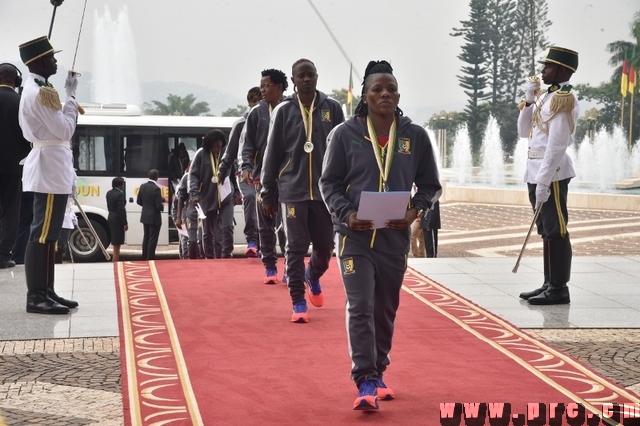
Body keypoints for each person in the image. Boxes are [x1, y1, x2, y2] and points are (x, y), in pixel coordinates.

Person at [320, 60, 441, 410]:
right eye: (377, 89)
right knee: (360, 305)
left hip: (393, 239)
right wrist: (347, 213)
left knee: (385, 309)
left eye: (390, 89)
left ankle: (380, 369)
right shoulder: (345, 134)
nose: (384, 93)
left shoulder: (414, 136)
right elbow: (328, 183)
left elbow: (431, 185)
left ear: (398, 95)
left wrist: (415, 211)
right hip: (354, 236)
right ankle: (365, 378)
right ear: (366, 96)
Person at [261, 58, 345, 322]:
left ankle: (313, 276)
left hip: (325, 193)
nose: (306, 79)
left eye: (311, 75)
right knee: (295, 249)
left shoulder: (332, 108)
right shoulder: (284, 111)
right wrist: (268, 191)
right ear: (294, 80)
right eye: (301, 76)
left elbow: (344, 151)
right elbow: (272, 153)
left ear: (317, 77)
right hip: (292, 191)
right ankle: (298, 301)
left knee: (324, 248)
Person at [18, 35, 80, 314]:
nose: (55, 61)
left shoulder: (40, 87)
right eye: (52, 57)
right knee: (42, 232)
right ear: (39, 61)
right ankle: (36, 296)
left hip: (53, 164)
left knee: (50, 233)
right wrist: (71, 97)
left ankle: (47, 291)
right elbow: (65, 130)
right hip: (49, 166)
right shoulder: (38, 92)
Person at [517, 46, 579, 306]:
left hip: (551, 173)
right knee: (546, 230)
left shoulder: (564, 98)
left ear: (562, 70)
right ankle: (548, 283)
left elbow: (557, 145)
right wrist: (529, 100)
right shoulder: (544, 97)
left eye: (548, 66)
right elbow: (523, 132)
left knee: (557, 230)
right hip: (536, 171)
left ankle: (559, 288)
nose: (543, 70)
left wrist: (544, 180)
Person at [240, 69, 288, 283]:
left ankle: (290, 266)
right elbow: (248, 144)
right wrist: (246, 167)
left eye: (266, 85)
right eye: (261, 85)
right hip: (262, 177)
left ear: (279, 87)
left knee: (288, 225)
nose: (262, 89)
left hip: (288, 177)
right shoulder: (256, 113)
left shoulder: (291, 110)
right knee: (265, 224)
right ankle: (269, 265)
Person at [219, 87, 261, 257]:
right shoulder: (240, 124)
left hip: (267, 174)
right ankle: (251, 239)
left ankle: (267, 241)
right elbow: (230, 152)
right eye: (253, 101)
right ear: (249, 103)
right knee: (250, 198)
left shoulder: (273, 120)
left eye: (260, 101)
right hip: (245, 174)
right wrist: (222, 171)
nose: (257, 105)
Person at [0, 62, 30, 269]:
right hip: (13, 167)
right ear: (15, 80)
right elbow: (28, 136)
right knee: (11, 211)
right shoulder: (20, 102)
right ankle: (3, 255)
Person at [189, 129, 236, 258]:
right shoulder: (200, 154)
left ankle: (226, 256)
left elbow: (233, 174)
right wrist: (195, 194)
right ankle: (210, 257)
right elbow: (193, 176)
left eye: (219, 146)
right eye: (214, 146)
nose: (216, 149)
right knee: (208, 233)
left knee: (227, 227)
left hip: (226, 197)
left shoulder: (226, 154)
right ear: (209, 145)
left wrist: (236, 191)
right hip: (207, 197)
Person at [136, 169, 164, 260]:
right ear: (157, 177)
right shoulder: (156, 189)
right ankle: (150, 258)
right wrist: (162, 205)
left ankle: (144, 257)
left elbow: (139, 201)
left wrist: (147, 206)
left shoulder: (142, 186)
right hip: (154, 217)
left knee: (146, 237)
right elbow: (158, 206)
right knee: (153, 239)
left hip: (145, 216)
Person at [106, 177, 128, 262]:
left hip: (111, 216)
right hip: (117, 219)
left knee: (115, 239)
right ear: (120, 185)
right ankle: (116, 259)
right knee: (117, 241)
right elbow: (121, 210)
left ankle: (115, 258)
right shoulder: (119, 195)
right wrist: (125, 223)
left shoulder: (109, 193)